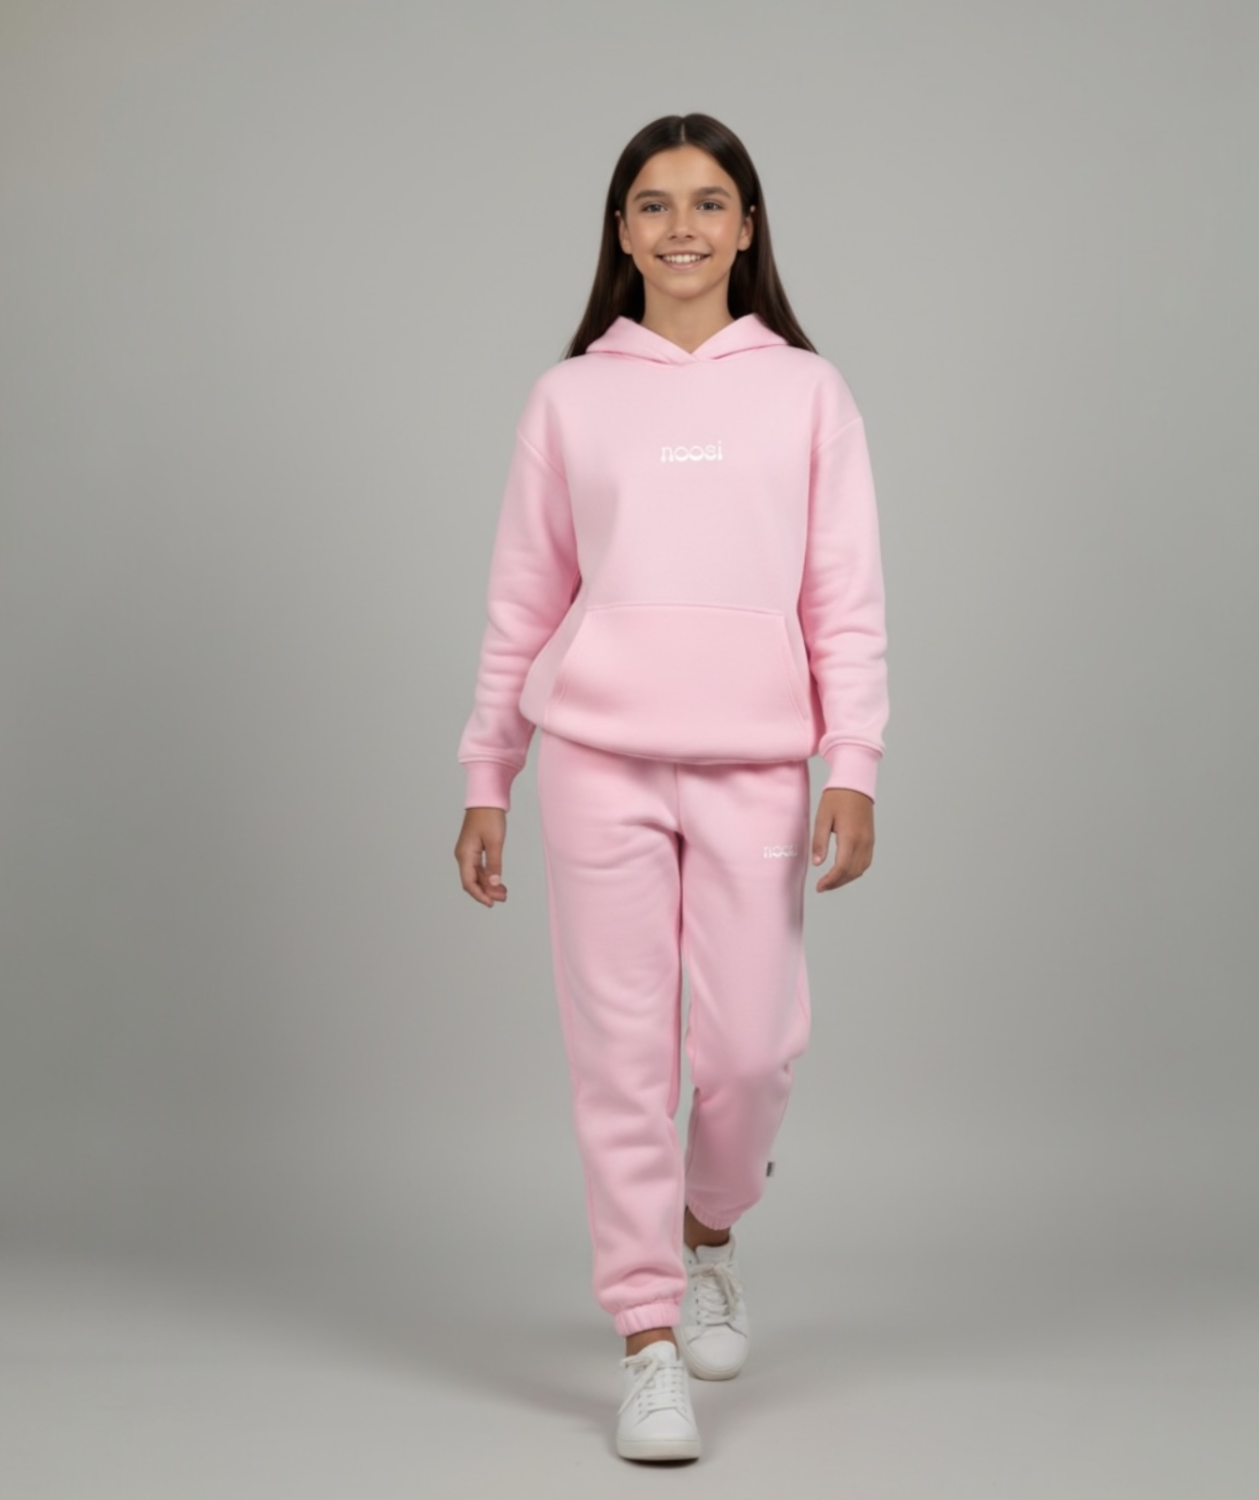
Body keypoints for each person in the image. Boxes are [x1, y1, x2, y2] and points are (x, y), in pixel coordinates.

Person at [453, 112, 889, 1463]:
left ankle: (709, 1234)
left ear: (747, 229)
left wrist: (855, 760)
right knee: (622, 1061)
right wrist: (488, 771)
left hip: (758, 763)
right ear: (622, 232)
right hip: (599, 761)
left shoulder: (808, 391)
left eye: (709, 202)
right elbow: (524, 600)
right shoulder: (570, 398)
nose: (682, 226)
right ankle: (647, 1336)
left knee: (751, 1052)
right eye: (654, 203)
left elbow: (845, 597)